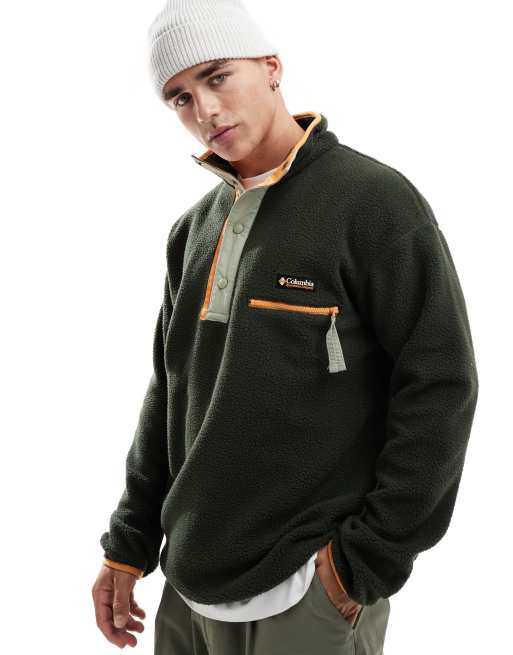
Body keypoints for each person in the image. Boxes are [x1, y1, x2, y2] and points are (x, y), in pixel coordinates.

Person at [91, 1, 479, 653]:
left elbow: (440, 384)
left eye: (217, 76)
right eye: (179, 97)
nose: (204, 110)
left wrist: (365, 560)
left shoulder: (373, 201)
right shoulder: (192, 230)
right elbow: (170, 391)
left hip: (305, 589)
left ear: (271, 67)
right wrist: (127, 546)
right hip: (187, 586)